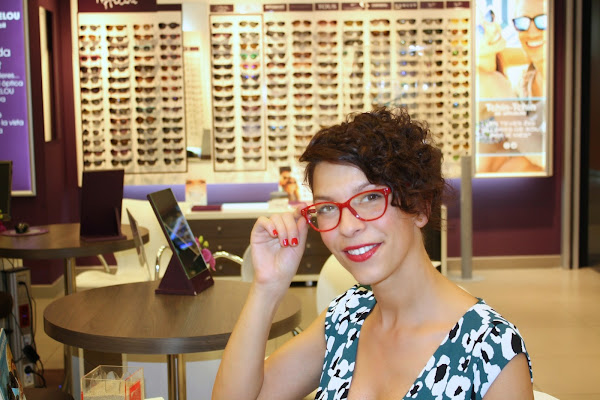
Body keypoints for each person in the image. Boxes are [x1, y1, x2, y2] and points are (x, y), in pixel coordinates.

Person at [212, 108, 533, 400]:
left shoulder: (489, 349)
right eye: (328, 207)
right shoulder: (347, 317)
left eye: (369, 198)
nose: (348, 226)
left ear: (420, 206)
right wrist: (267, 287)